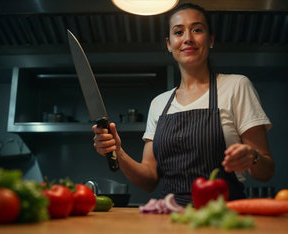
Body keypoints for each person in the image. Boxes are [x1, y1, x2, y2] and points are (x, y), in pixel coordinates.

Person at [93, 3, 274, 206]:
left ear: (210, 39)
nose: (188, 38)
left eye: (197, 29)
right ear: (169, 44)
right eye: (178, 32)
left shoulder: (236, 86)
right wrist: (118, 152)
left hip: (223, 219)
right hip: (170, 220)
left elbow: (266, 171)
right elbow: (149, 179)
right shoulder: (159, 104)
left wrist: (254, 157)